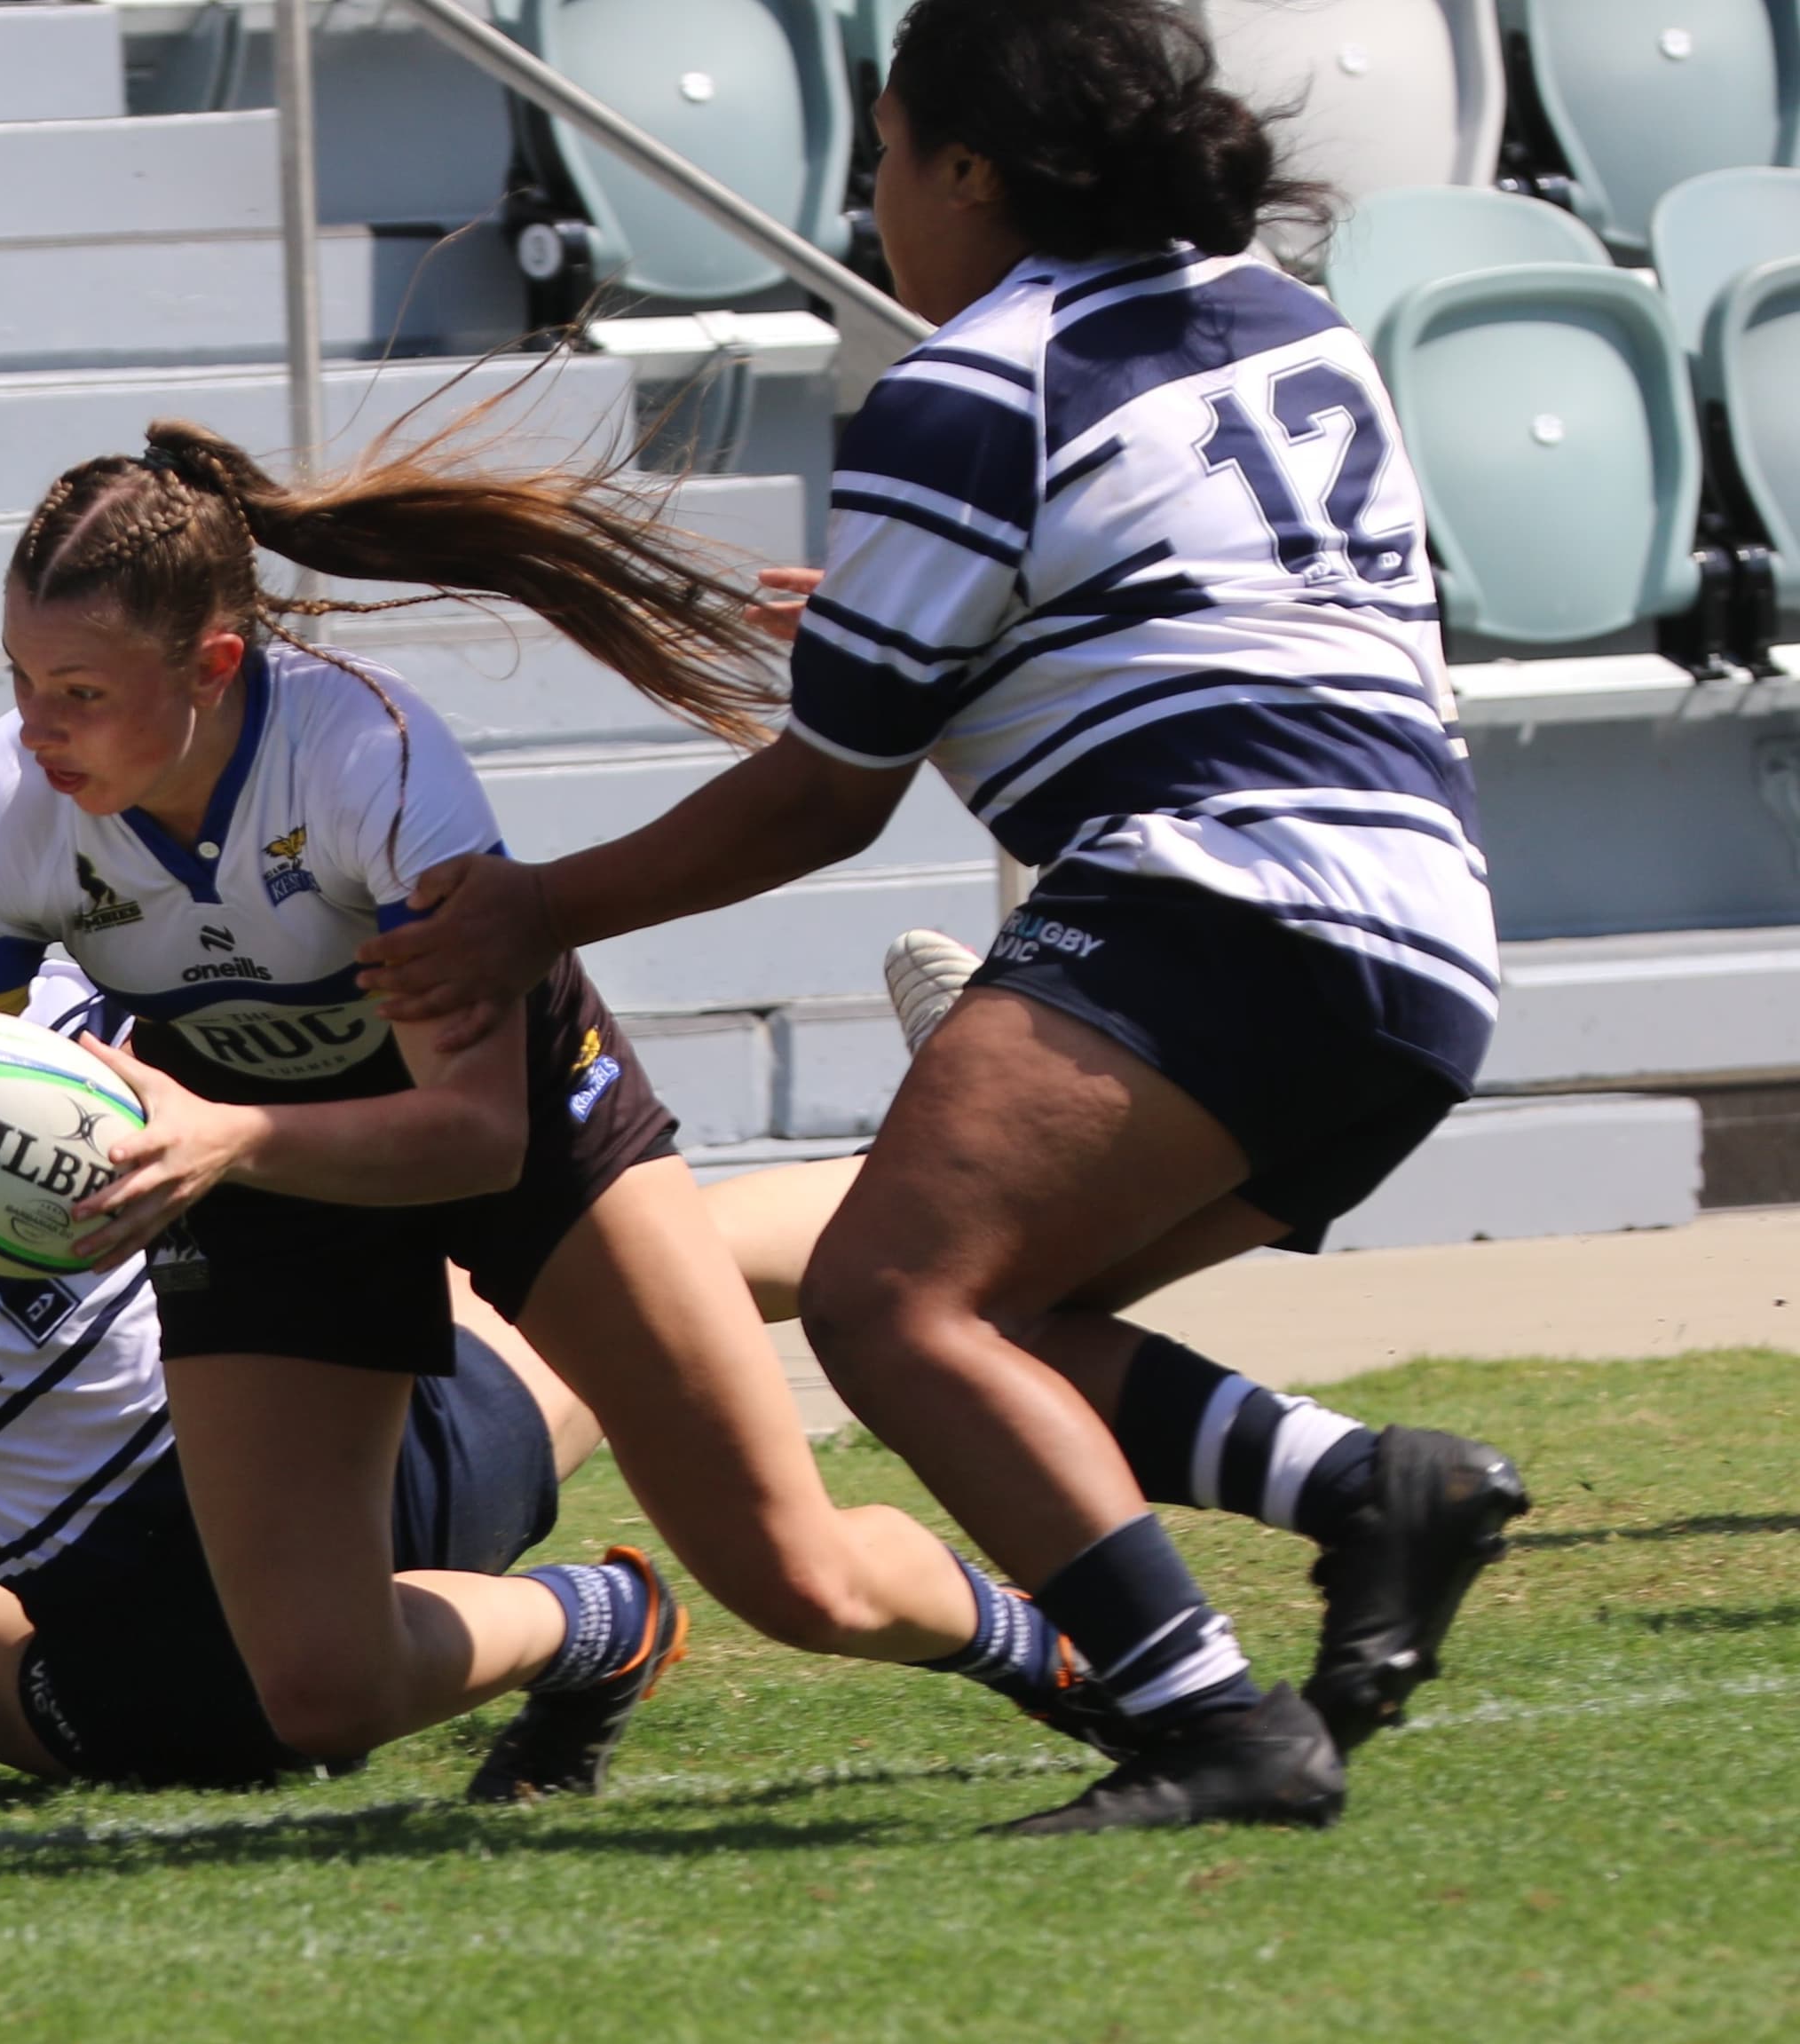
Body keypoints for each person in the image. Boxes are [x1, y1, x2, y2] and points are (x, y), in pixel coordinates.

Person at [359, 0, 1527, 1834]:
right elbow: (1205, 618)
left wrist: (537, 911)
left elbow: (832, 795)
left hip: (1221, 900)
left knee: (888, 1302)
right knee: (1004, 1324)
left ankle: (1217, 1725)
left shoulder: (982, 376)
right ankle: (1374, 1485)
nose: (874, 189)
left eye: (888, 150)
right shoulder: (1292, 319)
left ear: (971, 168)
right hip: (1422, 938)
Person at [0, 414, 1145, 1798]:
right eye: (18, 681)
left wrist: (231, 1138)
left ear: (216, 668)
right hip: (244, 1153)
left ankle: (1080, 1656)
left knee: (800, 1578)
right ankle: (604, 1623)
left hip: (504, 1123)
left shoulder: (366, 757)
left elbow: (475, 1136)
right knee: (316, 1691)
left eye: (79, 691)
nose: (36, 728)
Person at [0, 752, 859, 1793]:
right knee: (634, 1267)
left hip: (175, 1704)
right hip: (421, 1481)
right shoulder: (104, 1000)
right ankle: (936, 1230)